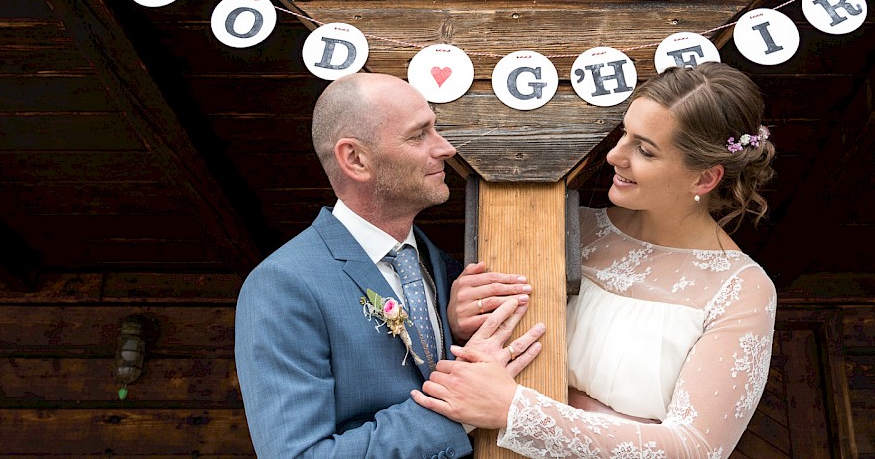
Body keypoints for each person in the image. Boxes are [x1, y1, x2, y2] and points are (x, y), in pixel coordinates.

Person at [412, 62, 779, 457]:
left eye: (645, 150)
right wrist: (457, 321)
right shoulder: (566, 227)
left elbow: (694, 449)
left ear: (704, 179)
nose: (615, 156)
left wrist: (517, 411)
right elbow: (483, 366)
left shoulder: (741, 289)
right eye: (625, 133)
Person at [235, 72, 546, 458]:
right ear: (356, 159)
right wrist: (455, 410)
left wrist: (457, 333)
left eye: (436, 129)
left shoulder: (446, 270)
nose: (446, 148)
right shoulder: (284, 285)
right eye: (419, 135)